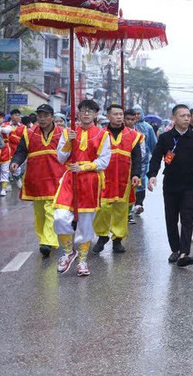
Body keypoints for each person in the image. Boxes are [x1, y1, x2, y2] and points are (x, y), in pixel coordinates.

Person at [53, 100, 112, 277]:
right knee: (60, 217)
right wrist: (68, 143)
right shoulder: (68, 132)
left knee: (86, 224)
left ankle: (82, 261)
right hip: (70, 179)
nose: (86, 114)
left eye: (90, 111)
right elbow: (61, 158)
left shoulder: (102, 135)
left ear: (96, 115)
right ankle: (69, 252)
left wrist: (85, 167)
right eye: (83, 111)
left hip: (90, 181)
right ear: (77, 113)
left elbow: (104, 161)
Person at [148, 104, 193, 267]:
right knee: (171, 218)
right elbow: (156, 158)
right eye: (183, 116)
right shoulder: (165, 138)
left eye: (189, 116)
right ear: (174, 117)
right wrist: (152, 175)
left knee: (187, 218)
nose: (187, 119)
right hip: (171, 185)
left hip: (190, 185)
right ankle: (175, 249)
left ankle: (184, 253)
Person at [9, 104, 59, 257]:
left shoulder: (62, 133)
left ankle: (48, 242)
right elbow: (21, 151)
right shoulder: (29, 133)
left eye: (45, 115)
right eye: (40, 116)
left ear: (52, 116)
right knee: (39, 213)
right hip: (36, 178)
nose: (42, 119)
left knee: (52, 211)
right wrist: (15, 162)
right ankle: (43, 239)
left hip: (56, 178)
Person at [92, 104, 142, 254]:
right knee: (102, 208)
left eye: (121, 114)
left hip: (124, 178)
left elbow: (137, 157)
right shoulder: (99, 134)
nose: (119, 117)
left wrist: (136, 174)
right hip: (103, 177)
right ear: (108, 116)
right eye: (115, 114)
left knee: (121, 209)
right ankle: (102, 236)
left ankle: (118, 239)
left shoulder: (132, 135)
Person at [131, 105, 157, 217]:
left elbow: (153, 145)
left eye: (138, 113)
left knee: (140, 182)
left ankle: (139, 203)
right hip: (128, 159)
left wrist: (156, 159)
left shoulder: (148, 128)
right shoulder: (127, 127)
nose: (136, 116)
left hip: (143, 160)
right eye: (134, 113)